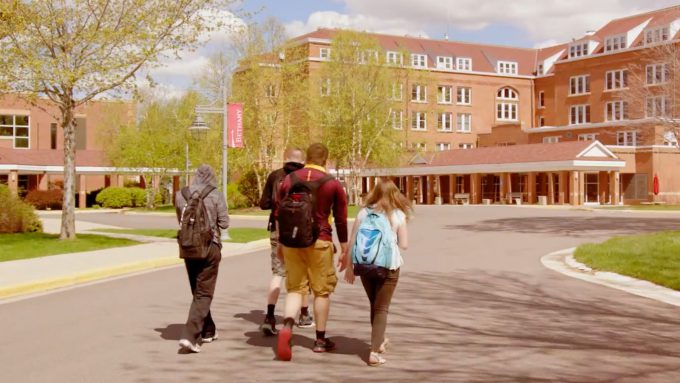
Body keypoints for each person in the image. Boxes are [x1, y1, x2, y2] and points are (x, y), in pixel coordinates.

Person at [276, 143, 349, 361]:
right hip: (320, 241)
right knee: (321, 291)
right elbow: (341, 219)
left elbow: (279, 212)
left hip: (291, 241)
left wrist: (280, 242)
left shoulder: (289, 179)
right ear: (325, 159)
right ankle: (319, 340)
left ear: (307, 157)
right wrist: (344, 248)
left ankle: (287, 327)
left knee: (295, 289)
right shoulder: (332, 184)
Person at [344, 179, 411, 366]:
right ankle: (374, 352)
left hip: (365, 266)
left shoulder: (364, 213)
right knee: (382, 308)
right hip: (388, 267)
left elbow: (353, 242)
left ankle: (379, 341)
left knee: (375, 304)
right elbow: (404, 245)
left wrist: (350, 267)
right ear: (394, 195)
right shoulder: (398, 215)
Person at [258, 147, 314, 336]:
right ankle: (304, 315)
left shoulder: (275, 176)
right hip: (302, 231)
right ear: (302, 160)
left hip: (278, 229)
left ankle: (270, 316)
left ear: (285, 158)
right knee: (303, 274)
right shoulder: (306, 177)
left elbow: (263, 203)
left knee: (277, 273)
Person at [175, 164, 229, 353]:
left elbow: (180, 221)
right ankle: (190, 336)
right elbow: (224, 222)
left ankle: (208, 329)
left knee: (198, 290)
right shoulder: (216, 194)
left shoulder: (181, 194)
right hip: (209, 247)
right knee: (204, 293)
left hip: (188, 247)